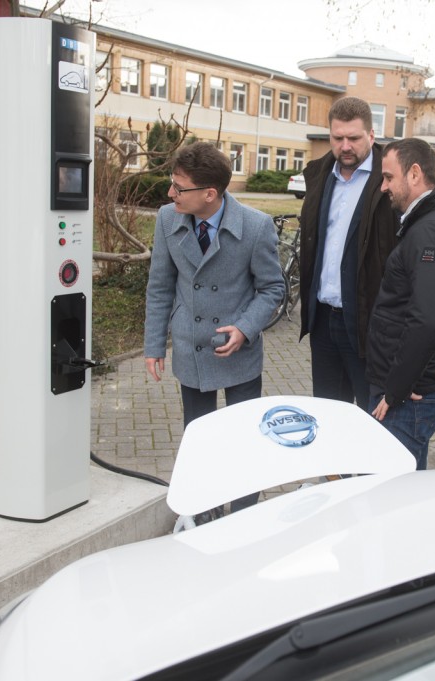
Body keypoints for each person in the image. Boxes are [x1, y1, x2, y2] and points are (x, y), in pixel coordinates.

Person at [144, 142, 284, 511]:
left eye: (179, 187)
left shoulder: (255, 226)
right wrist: (154, 345)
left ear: (210, 193)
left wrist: (245, 328)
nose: (170, 193)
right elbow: (159, 286)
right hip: (191, 349)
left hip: (238, 353)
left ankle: (243, 516)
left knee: (244, 442)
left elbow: (273, 288)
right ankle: (203, 513)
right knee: (199, 440)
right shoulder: (167, 219)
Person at [367, 138, 435, 470]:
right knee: (410, 481)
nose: (383, 187)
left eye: (388, 177)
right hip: (414, 383)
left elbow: (427, 319)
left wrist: (399, 387)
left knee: (392, 486)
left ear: (414, 174)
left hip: (408, 396)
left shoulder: (430, 230)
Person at [298, 97, 398, 407]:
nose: (345, 147)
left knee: (371, 418)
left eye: (353, 138)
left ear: (371, 135)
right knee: (328, 413)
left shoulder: (390, 179)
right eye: (337, 138)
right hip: (323, 321)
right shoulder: (319, 174)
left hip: (369, 324)